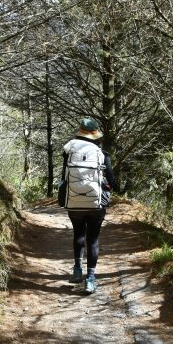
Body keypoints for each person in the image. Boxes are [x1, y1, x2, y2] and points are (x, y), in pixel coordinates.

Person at [61, 117, 118, 294]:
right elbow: (112, 181)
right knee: (92, 239)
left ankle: (77, 271)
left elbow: (64, 175)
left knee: (78, 233)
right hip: (95, 204)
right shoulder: (102, 154)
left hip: (74, 201)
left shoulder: (68, 150)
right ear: (95, 135)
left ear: (80, 132)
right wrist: (115, 187)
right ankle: (90, 280)